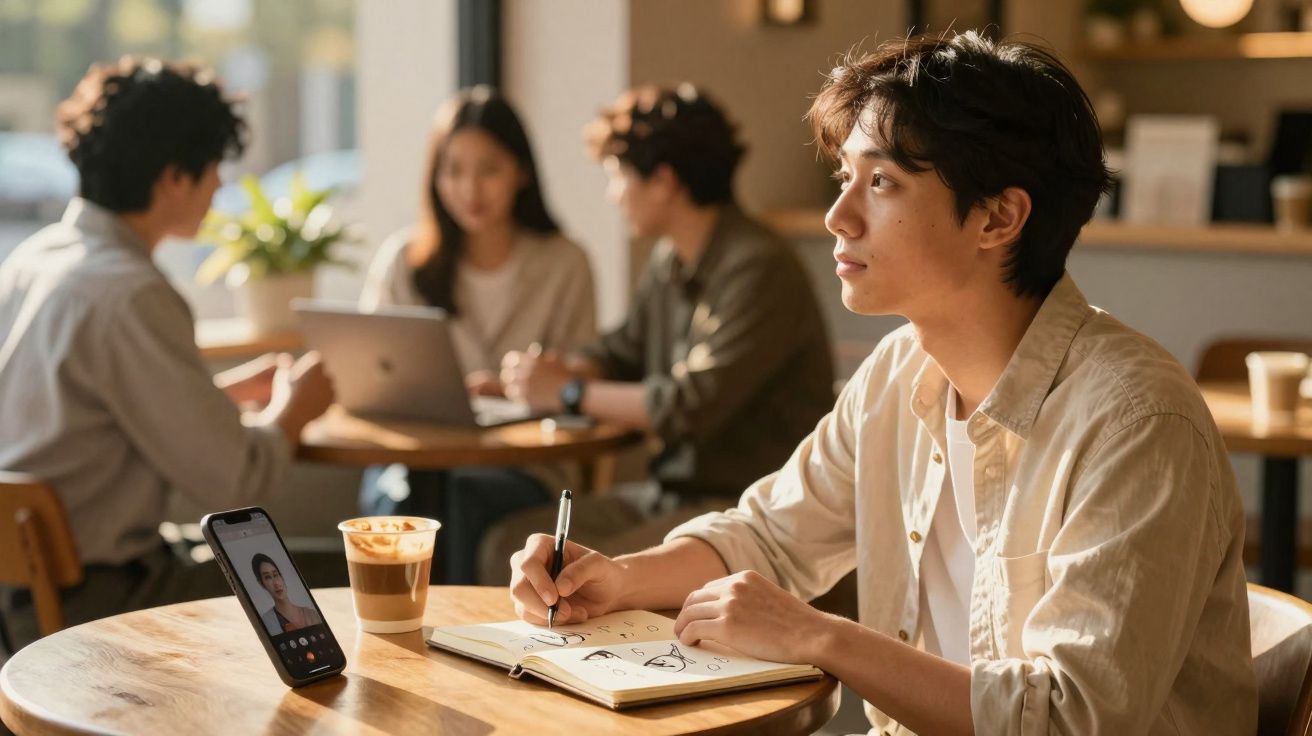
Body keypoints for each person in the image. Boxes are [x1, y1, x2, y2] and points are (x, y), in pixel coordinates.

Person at [507, 33, 1256, 735]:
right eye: (845, 178)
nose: (838, 216)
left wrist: (818, 636)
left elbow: (1069, 717)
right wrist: (616, 579)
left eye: (882, 183)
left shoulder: (1137, 422)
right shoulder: (900, 372)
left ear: (999, 217)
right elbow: (769, 536)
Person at [0, 58, 334, 653]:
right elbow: (234, 479)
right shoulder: (132, 293)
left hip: (20, 601)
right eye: (213, 169)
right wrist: (295, 407)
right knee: (350, 580)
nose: (219, 188)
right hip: (97, 606)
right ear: (174, 177)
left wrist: (219, 395)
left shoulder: (36, 260)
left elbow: (87, 417)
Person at [491, 85, 835, 583]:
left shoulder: (759, 267)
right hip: (671, 494)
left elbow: (690, 404)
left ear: (664, 181)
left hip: (745, 507)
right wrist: (549, 375)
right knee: (505, 544)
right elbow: (623, 349)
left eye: (619, 177)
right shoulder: (671, 258)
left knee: (570, 573)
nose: (613, 194)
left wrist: (568, 393)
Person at [357, 86, 596, 584]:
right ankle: (397, 630)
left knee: (460, 494)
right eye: (453, 170)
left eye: (489, 169)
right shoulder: (404, 262)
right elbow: (371, 379)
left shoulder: (564, 263)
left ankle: (462, 627)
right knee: (403, 498)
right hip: (416, 458)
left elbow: (580, 381)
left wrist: (515, 391)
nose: (470, 189)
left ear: (521, 172)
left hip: (524, 465)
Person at [252, 554, 321, 634]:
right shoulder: (267, 621)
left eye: (275, 575)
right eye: (268, 577)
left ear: (281, 576)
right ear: (261, 584)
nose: (276, 583)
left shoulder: (312, 614)